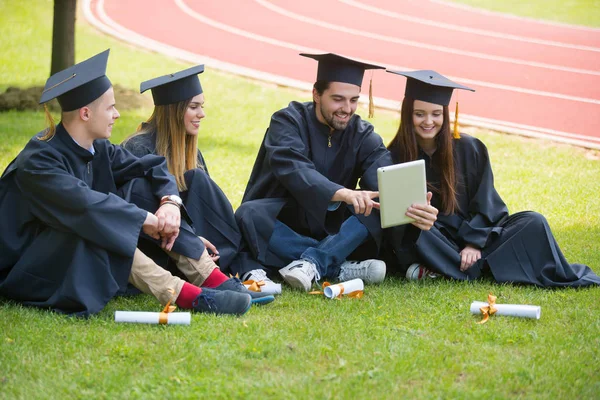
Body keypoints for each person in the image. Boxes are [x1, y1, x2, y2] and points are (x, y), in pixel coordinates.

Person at [0, 50, 254, 317]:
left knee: (142, 189)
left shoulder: (96, 147)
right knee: (97, 223)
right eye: (110, 107)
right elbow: (87, 206)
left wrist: (170, 204)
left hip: (69, 249)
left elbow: (154, 165)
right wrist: (148, 220)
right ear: (85, 113)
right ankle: (187, 296)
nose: (118, 114)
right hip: (27, 267)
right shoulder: (40, 161)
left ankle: (210, 278)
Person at [235, 53, 438, 292]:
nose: (347, 109)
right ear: (316, 94)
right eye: (338, 99)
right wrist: (342, 193)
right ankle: (337, 265)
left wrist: (416, 208)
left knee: (372, 206)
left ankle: (313, 263)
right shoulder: (287, 121)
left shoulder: (362, 134)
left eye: (353, 100)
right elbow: (294, 168)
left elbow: (383, 177)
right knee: (248, 215)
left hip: (331, 226)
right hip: (285, 218)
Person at [385, 69, 600, 287]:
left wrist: (473, 243)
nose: (428, 121)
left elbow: (487, 204)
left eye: (436, 114)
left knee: (534, 222)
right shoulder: (395, 156)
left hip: (475, 240)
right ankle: (466, 266)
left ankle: (447, 268)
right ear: (407, 114)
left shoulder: (470, 148)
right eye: (419, 113)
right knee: (418, 229)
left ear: (446, 114)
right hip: (436, 239)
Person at [121, 65, 277, 301]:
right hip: (155, 243)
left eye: (201, 106)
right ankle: (219, 274)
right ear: (174, 110)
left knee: (198, 179)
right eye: (194, 107)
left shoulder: (189, 148)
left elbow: (207, 209)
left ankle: (233, 267)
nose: (201, 114)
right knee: (193, 180)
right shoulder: (138, 148)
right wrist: (190, 238)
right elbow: (138, 207)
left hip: (189, 240)